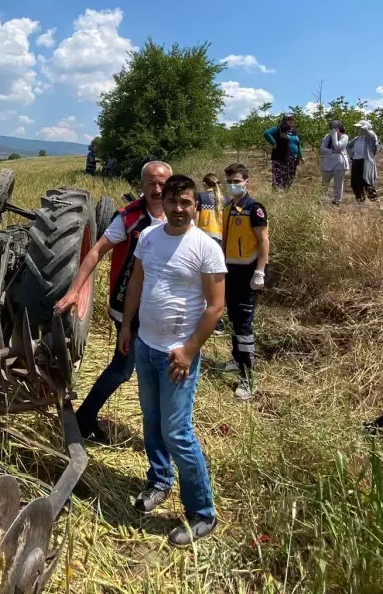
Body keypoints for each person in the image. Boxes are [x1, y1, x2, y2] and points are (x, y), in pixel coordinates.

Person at [118, 174, 225, 546]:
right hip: (146, 345)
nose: (179, 209)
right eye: (173, 202)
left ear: (196, 206)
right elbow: (136, 284)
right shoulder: (149, 238)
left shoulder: (206, 247)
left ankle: (203, 513)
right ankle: (160, 481)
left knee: (177, 432)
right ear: (163, 203)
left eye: (187, 203)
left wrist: (190, 349)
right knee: (151, 420)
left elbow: (216, 306)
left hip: (177, 354)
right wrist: (126, 327)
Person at [54, 161, 172, 443]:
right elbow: (96, 252)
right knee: (122, 368)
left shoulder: (179, 214)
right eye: (151, 184)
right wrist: (74, 290)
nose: (157, 189)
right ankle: (85, 418)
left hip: (164, 308)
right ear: (141, 186)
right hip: (128, 307)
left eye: (162, 183)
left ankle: (165, 433)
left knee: (164, 370)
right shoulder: (128, 219)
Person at [219, 163, 269, 400]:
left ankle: (247, 378)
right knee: (233, 318)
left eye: (237, 180)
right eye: (229, 180)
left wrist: (260, 271)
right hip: (228, 271)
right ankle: (237, 359)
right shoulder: (228, 207)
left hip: (247, 272)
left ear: (247, 181)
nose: (232, 184)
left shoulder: (254, 208)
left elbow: (263, 241)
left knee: (244, 325)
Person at [263, 115, 303, 189]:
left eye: (293, 119)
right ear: (284, 121)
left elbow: (298, 145)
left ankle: (285, 193)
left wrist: (301, 156)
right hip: (280, 158)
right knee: (278, 177)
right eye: (288, 119)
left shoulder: (295, 132)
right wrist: (274, 143)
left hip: (292, 159)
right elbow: (266, 133)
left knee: (290, 177)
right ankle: (277, 195)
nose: (291, 121)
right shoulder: (279, 129)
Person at [319, 120, 350, 206]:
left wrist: (334, 136)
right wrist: (332, 151)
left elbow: (338, 146)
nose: (334, 129)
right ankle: (322, 200)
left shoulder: (344, 136)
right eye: (332, 128)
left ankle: (337, 201)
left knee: (338, 184)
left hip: (340, 163)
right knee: (324, 183)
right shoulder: (327, 137)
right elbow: (322, 149)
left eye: (336, 127)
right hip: (328, 163)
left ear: (340, 128)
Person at [349, 119, 380, 203]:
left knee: (367, 182)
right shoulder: (357, 138)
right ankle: (360, 201)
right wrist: (352, 155)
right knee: (355, 184)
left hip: (365, 163)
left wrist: (365, 127)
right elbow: (348, 146)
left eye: (359, 128)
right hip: (356, 162)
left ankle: (374, 202)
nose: (358, 130)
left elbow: (370, 133)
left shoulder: (371, 137)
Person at [195, 173, 224, 243]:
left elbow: (196, 219)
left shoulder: (200, 196)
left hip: (203, 238)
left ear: (204, 184)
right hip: (221, 240)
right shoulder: (226, 200)